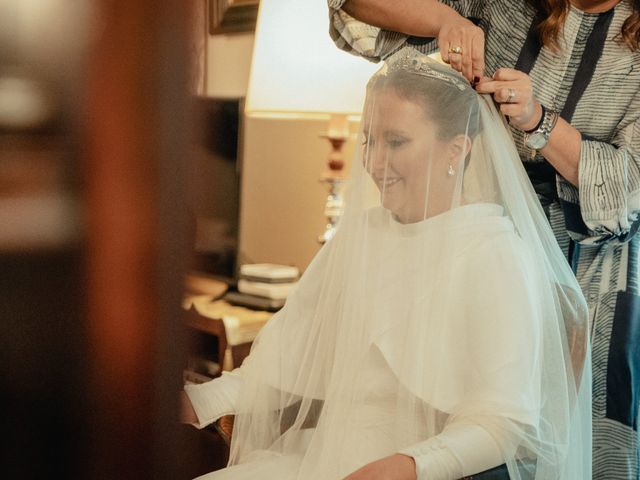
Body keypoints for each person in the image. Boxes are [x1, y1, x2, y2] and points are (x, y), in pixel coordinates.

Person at [181, 50, 591, 480]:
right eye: (369, 141)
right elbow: (282, 365)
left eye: (395, 142)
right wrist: (199, 401)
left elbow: (503, 424)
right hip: (316, 462)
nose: (375, 163)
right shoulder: (360, 237)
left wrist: (411, 466)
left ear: (457, 149)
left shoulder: (495, 255)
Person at [328, 1, 640, 478]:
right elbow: (351, 9)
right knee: (441, 421)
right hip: (475, 236)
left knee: (574, 446)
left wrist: (538, 121)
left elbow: (627, 191)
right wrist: (443, 20)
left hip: (593, 275)